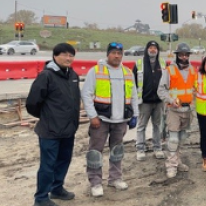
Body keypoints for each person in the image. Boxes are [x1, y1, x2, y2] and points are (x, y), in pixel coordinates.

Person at [27, 43, 81, 206]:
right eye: (64, 55)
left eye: (71, 55)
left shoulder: (73, 75)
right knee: (47, 165)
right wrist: (47, 117)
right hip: (50, 131)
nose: (68, 58)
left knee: (64, 160)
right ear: (55, 56)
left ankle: (57, 188)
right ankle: (41, 197)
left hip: (68, 130)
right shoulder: (46, 76)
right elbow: (32, 103)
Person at [81, 43, 139, 197]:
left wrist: (135, 115)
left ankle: (115, 178)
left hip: (121, 120)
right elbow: (86, 94)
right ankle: (95, 182)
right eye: (113, 53)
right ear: (108, 54)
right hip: (101, 120)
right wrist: (92, 116)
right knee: (95, 152)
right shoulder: (96, 71)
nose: (117, 56)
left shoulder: (127, 72)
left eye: (119, 53)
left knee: (117, 151)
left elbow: (133, 95)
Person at [157, 42, 196, 178]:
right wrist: (170, 100)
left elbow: (196, 88)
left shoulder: (192, 70)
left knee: (182, 138)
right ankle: (171, 166)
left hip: (187, 110)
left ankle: (177, 161)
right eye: (181, 54)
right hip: (174, 110)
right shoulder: (169, 70)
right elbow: (161, 90)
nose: (184, 57)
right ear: (177, 55)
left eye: (186, 54)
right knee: (173, 139)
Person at [133, 40, 166, 160]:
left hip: (158, 101)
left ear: (157, 50)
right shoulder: (139, 64)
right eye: (150, 48)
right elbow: (133, 82)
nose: (153, 50)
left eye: (155, 48)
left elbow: (167, 82)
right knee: (141, 126)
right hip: (144, 102)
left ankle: (157, 148)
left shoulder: (162, 63)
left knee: (157, 125)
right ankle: (140, 149)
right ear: (147, 50)